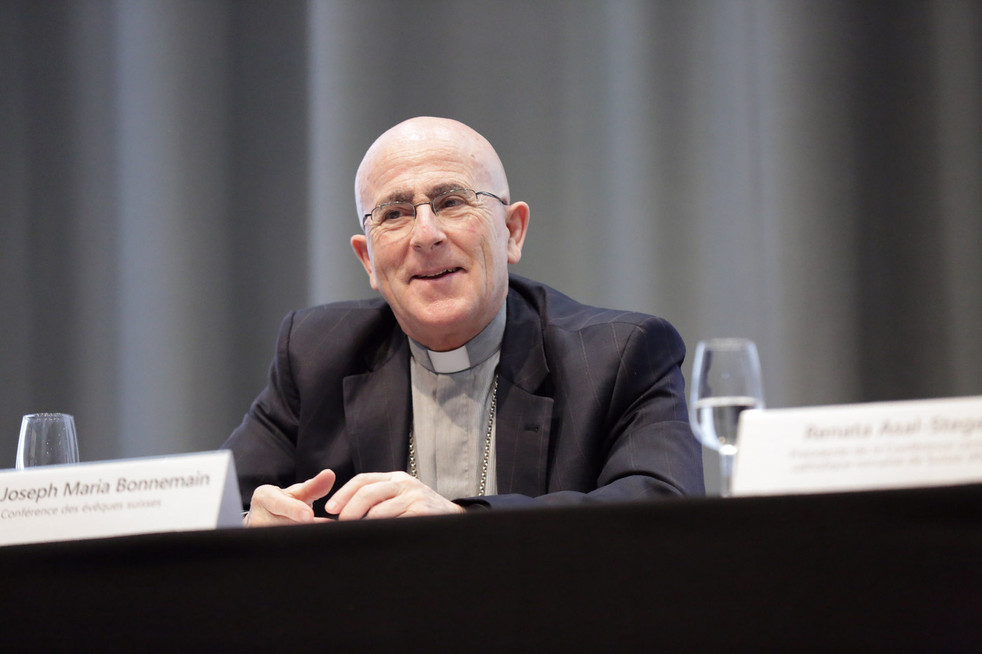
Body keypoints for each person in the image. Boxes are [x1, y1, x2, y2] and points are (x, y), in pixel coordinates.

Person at [224, 116, 704, 526]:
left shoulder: (619, 354)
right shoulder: (313, 353)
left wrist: (463, 524)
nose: (426, 235)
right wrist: (251, 522)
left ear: (512, 231)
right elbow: (214, 507)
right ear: (368, 259)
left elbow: (664, 508)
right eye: (394, 213)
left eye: (452, 201)